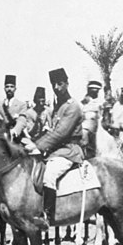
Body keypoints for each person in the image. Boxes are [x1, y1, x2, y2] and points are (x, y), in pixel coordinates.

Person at [27, 68, 84, 228]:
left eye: (60, 84)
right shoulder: (56, 108)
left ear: (67, 83)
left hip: (69, 151)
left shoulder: (73, 107)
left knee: (48, 176)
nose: (57, 88)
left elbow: (61, 133)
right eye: (54, 84)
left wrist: (37, 146)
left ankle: (47, 216)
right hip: (55, 151)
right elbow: (51, 131)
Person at [0, 75, 27, 141]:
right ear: (4, 89)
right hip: (0, 137)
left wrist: (15, 130)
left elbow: (22, 120)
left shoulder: (22, 105)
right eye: (7, 87)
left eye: (12, 87)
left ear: (15, 89)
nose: (9, 89)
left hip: (15, 137)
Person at [80, 81, 103, 159]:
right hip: (87, 129)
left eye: (97, 90)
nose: (95, 92)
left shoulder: (100, 102)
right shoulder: (83, 103)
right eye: (93, 90)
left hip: (98, 127)